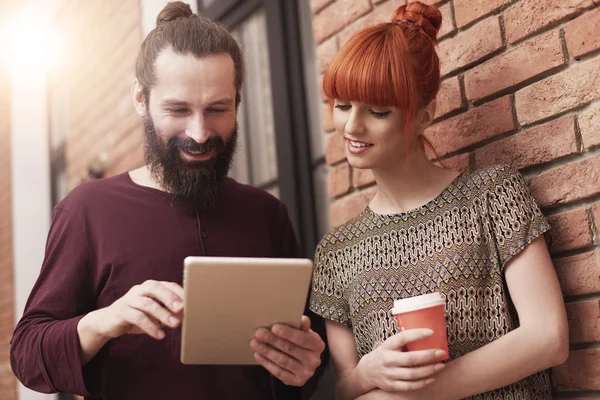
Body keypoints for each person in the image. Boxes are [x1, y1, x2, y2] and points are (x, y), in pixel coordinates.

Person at [10, 2, 327, 399]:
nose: (198, 133)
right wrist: (103, 321)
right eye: (178, 109)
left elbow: (304, 365)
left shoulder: (267, 213)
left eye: (217, 109)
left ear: (238, 102)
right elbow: (27, 354)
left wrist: (307, 364)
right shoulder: (86, 210)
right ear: (141, 99)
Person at [308, 2, 569, 399]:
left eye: (377, 111)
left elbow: (548, 336)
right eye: (342, 106)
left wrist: (413, 394)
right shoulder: (334, 252)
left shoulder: (492, 196)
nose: (352, 125)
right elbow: (344, 386)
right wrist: (368, 372)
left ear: (425, 116)